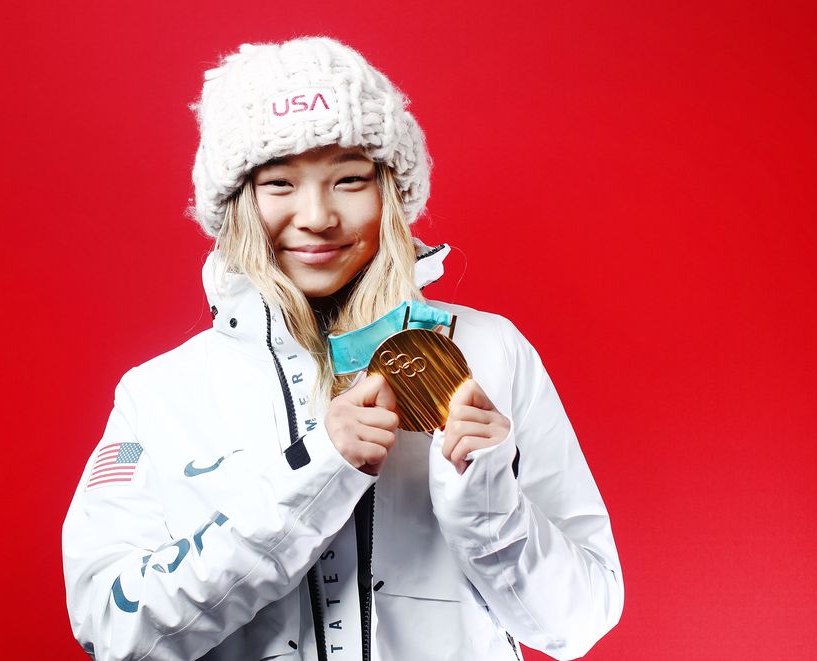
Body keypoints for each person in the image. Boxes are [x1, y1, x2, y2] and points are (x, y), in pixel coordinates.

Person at [62, 37, 623, 661]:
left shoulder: (490, 352)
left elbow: (579, 623)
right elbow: (113, 629)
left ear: (391, 192)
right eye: (279, 183)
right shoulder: (162, 392)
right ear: (236, 205)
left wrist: (486, 500)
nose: (318, 216)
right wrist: (316, 472)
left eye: (350, 179)